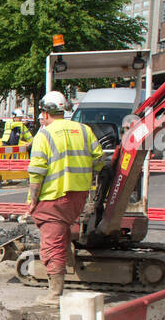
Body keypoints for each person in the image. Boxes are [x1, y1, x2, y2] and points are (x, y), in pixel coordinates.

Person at [25, 91, 106, 304]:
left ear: (45, 112)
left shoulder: (45, 134)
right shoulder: (84, 130)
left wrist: (33, 199)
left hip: (53, 197)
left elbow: (37, 171)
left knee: (51, 244)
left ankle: (55, 294)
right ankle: (66, 255)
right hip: (78, 197)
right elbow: (99, 159)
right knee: (61, 234)